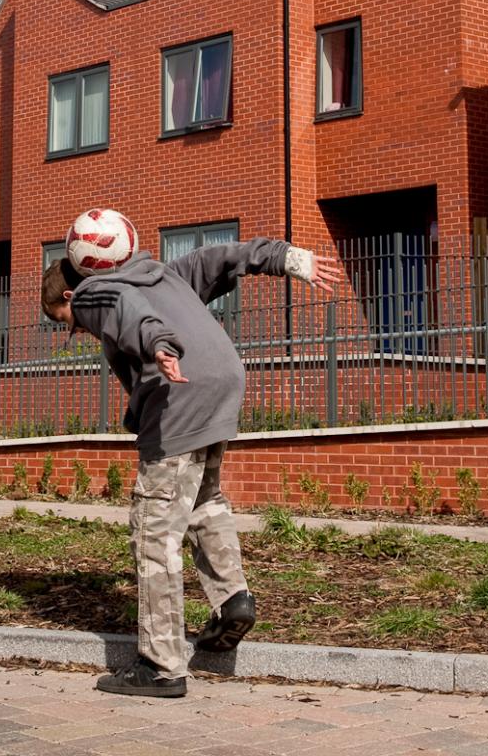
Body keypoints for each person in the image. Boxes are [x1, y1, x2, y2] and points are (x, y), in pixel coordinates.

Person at [41, 235, 343, 698]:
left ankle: (161, 666)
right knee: (203, 500)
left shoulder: (93, 293)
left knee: (155, 530)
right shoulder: (165, 276)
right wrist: (286, 258)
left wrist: (158, 343)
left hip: (179, 394)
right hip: (221, 385)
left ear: (69, 295)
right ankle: (232, 601)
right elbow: (219, 257)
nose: (79, 328)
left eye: (68, 322)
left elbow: (127, 314)